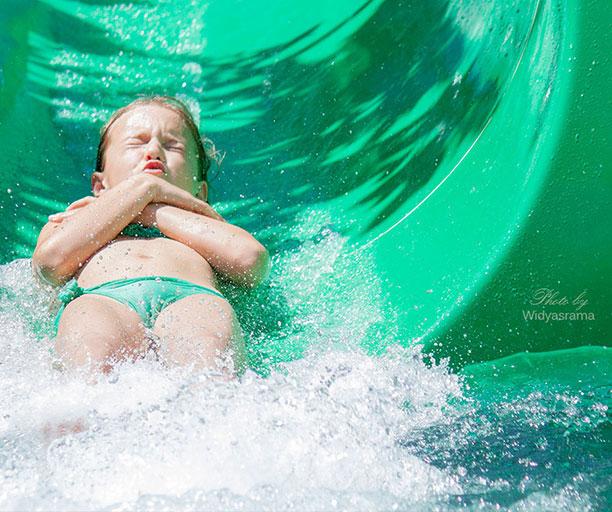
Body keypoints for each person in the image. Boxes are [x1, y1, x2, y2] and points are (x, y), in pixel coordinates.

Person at [31, 95, 270, 381]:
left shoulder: (205, 223)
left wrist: (147, 204)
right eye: (137, 143)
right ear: (99, 185)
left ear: (200, 192)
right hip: (101, 300)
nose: (154, 150)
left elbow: (250, 261)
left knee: (209, 360)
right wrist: (145, 189)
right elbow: (50, 264)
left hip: (193, 299)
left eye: (172, 145)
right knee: (90, 355)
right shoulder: (73, 219)